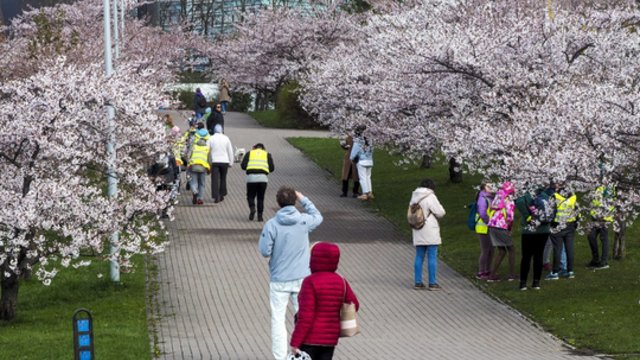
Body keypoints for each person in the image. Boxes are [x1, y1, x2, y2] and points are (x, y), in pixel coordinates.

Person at [259, 187, 323, 360]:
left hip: (279, 278)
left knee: (278, 319)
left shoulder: (272, 224)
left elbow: (265, 251)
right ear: (294, 201)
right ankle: (303, 351)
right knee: (305, 317)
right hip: (302, 277)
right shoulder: (303, 221)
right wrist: (304, 199)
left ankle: (280, 356)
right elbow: (318, 216)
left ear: (278, 203)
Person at [289, 242, 359, 360]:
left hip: (309, 339)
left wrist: (295, 342)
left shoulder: (310, 282)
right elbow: (354, 305)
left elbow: (306, 317)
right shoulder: (341, 281)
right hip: (330, 340)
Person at [410, 178, 446, 290]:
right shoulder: (430, 196)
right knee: (432, 256)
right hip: (429, 228)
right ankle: (432, 282)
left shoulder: (414, 197)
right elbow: (440, 212)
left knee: (419, 256)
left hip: (418, 227)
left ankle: (418, 282)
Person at [516, 187, 553, 290]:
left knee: (526, 256)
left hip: (529, 230)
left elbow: (518, 202)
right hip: (544, 229)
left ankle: (523, 283)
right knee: (539, 255)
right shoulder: (545, 195)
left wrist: (527, 217)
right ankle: (536, 283)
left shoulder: (526, 196)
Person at [546, 183, 578, 280]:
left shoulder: (555, 196)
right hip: (570, 224)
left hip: (558, 225)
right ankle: (570, 270)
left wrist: (551, 223)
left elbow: (550, 212)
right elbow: (576, 210)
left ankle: (555, 272)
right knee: (569, 248)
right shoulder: (573, 196)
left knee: (557, 249)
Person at [487, 181, 517, 282]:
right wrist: (509, 229)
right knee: (511, 249)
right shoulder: (509, 201)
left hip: (492, 225)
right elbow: (510, 217)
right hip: (501, 226)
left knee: (501, 250)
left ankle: (492, 275)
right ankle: (512, 275)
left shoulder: (498, 197)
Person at [241, 143, 275, 221]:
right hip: (263, 179)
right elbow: (272, 168)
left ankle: (252, 208)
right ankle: (260, 216)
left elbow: (243, 166)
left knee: (250, 196)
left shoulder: (249, 153)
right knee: (261, 198)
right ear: (263, 148)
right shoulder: (267, 154)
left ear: (254, 148)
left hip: (251, 178)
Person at [207, 124, 234, 203]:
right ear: (222, 130)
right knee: (223, 178)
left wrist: (207, 162)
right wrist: (231, 162)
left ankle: (216, 196)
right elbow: (230, 151)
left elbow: (207, 150)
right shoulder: (226, 138)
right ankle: (222, 194)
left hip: (215, 161)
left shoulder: (210, 138)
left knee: (215, 179)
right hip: (224, 161)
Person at [474, 183, 494, 280]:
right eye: (488, 186)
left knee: (490, 250)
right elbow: (482, 213)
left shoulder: (490, 198)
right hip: (483, 227)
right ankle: (481, 272)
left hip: (489, 227)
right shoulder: (483, 198)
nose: (491, 188)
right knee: (485, 250)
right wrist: (489, 221)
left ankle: (487, 270)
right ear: (484, 188)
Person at [187, 125, 210, 205]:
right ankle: (200, 199)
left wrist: (188, 163)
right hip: (203, 167)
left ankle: (194, 191)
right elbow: (209, 160)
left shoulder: (194, 146)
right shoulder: (207, 148)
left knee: (193, 182)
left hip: (193, 166)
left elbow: (188, 156)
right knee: (202, 184)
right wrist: (209, 169)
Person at [349, 127, 374, 201]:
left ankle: (365, 194)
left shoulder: (358, 141)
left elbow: (354, 151)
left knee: (362, 178)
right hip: (370, 161)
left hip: (362, 161)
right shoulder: (370, 141)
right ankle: (370, 192)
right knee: (368, 177)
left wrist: (351, 158)